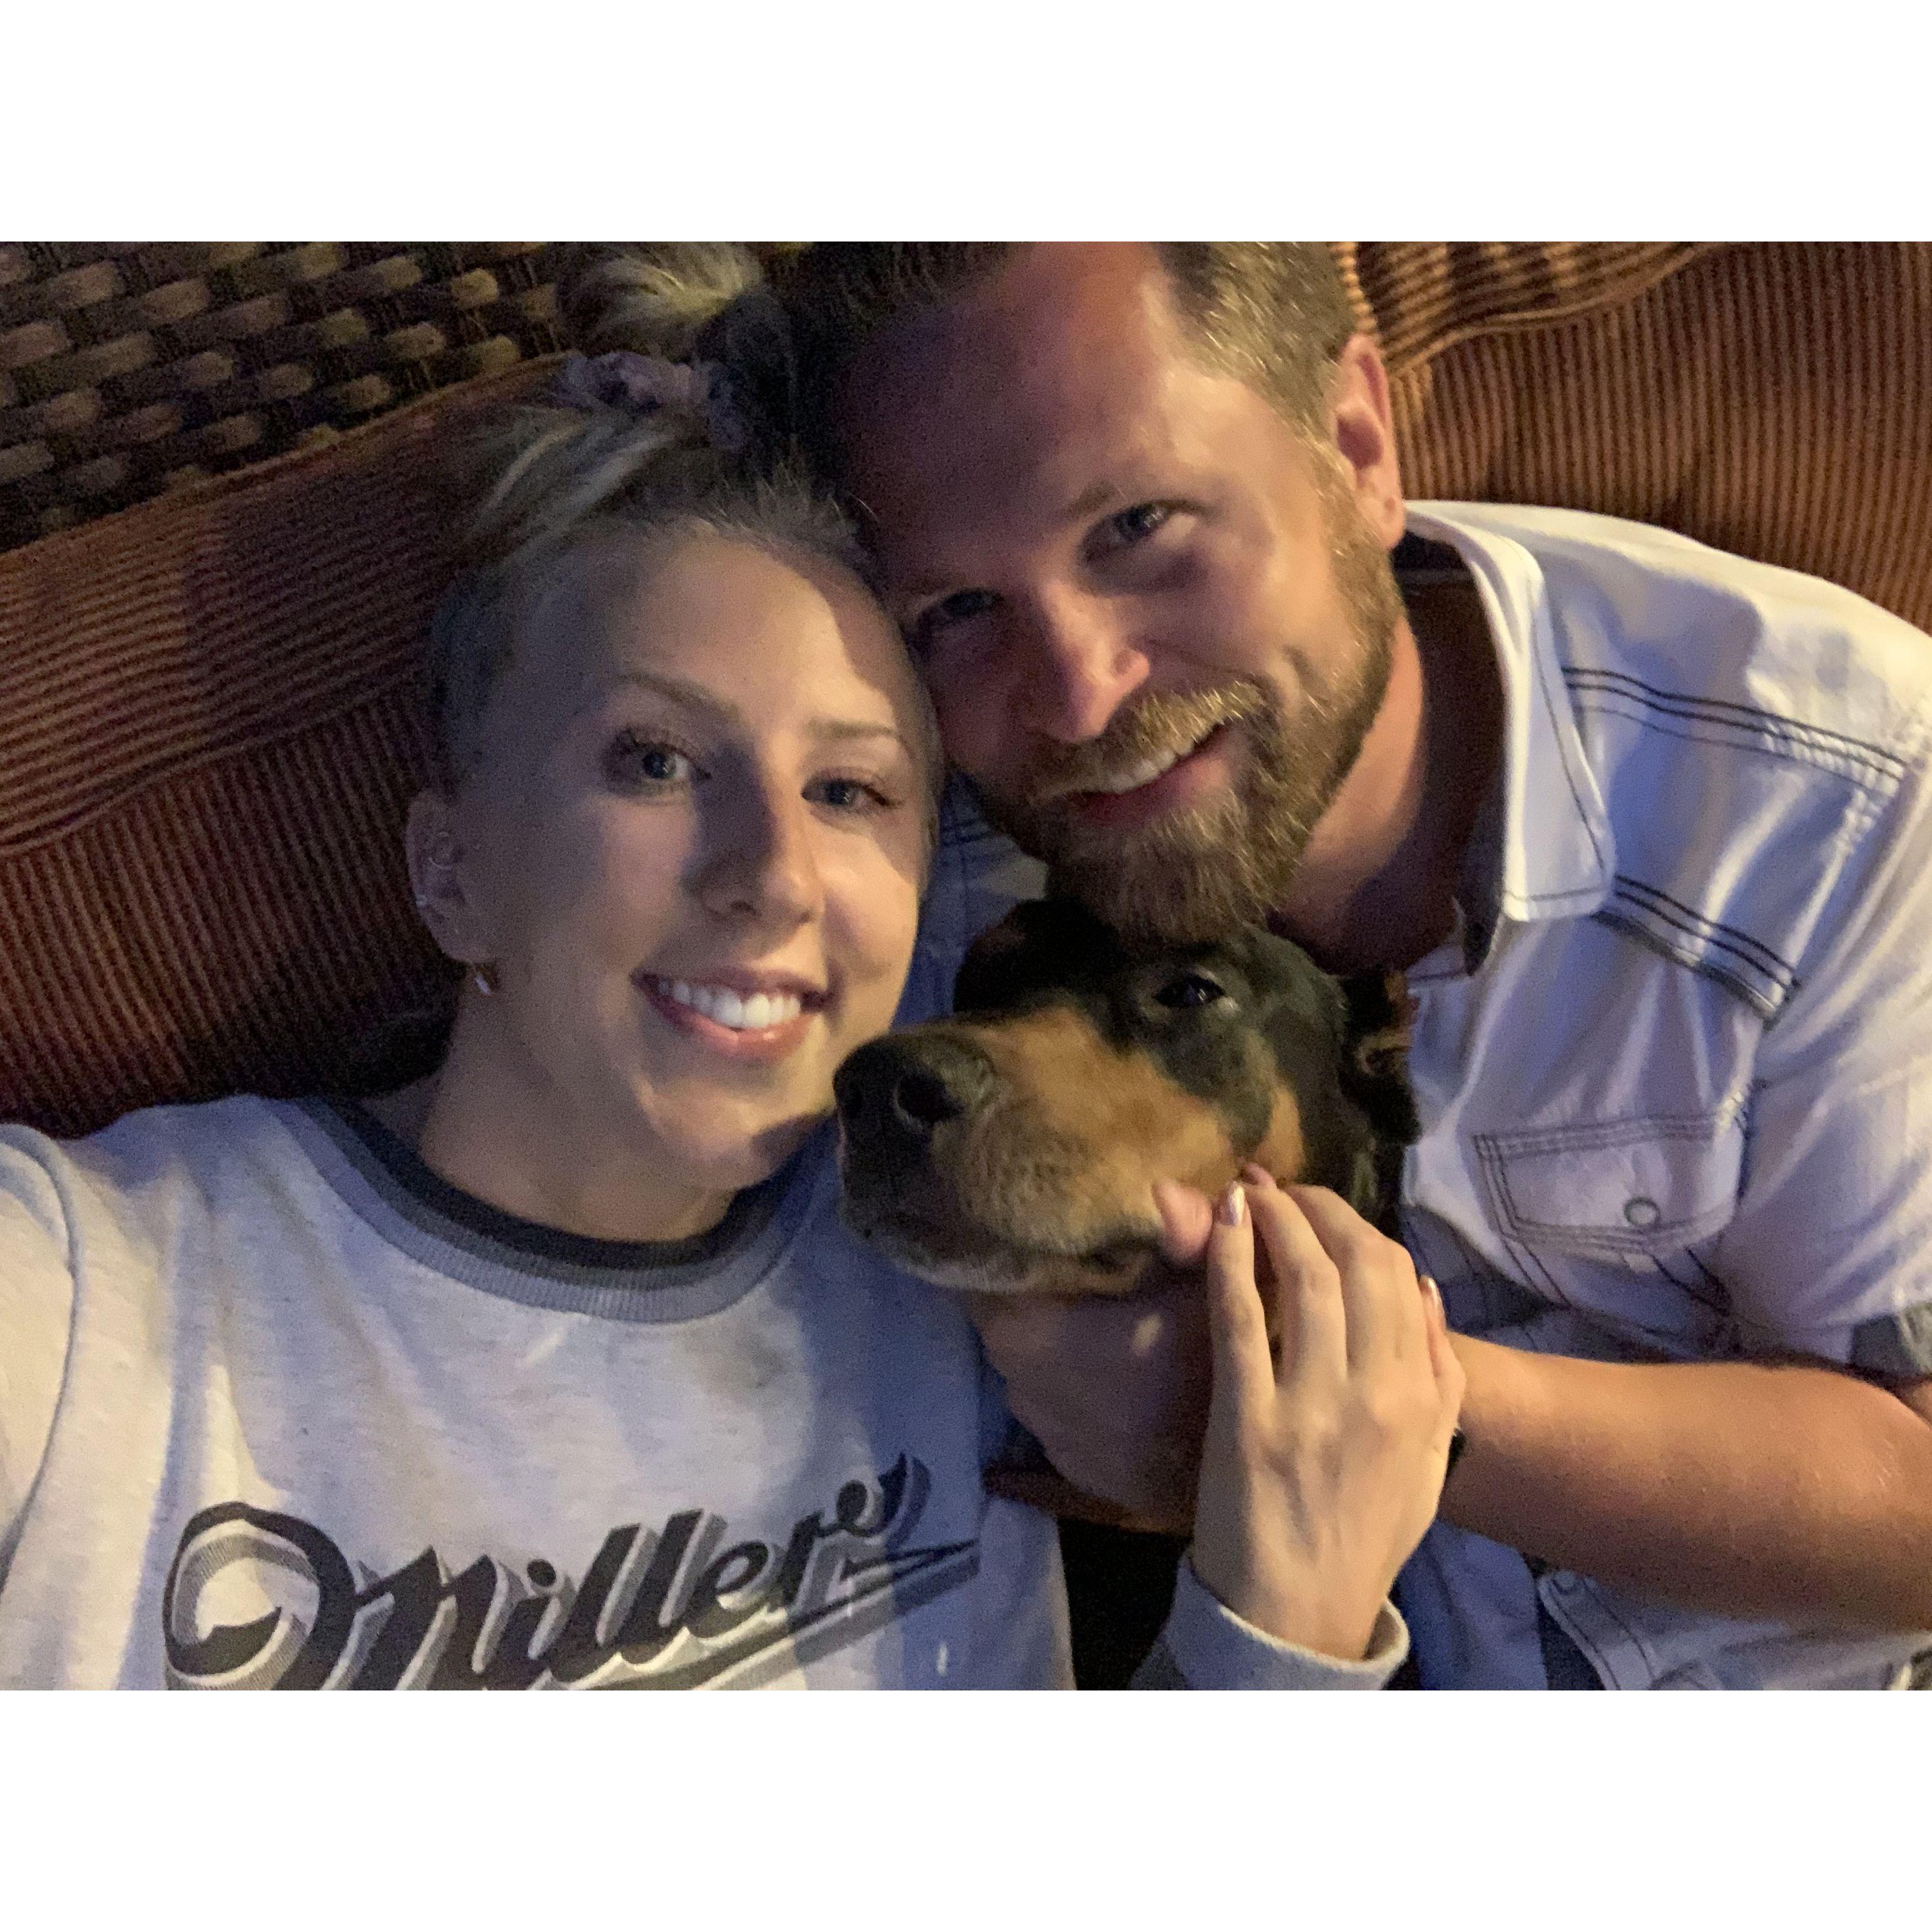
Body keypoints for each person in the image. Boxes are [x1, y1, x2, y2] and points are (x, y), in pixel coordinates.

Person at [0, 245, 1460, 1690]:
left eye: (848, 789)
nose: (772, 871)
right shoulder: (90, 1305)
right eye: (653, 759)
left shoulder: (953, 1267)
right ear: (450, 870)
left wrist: (1275, 1620)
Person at [711, 239, 1932, 1690]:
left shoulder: (1837, 802)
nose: (1078, 693)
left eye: (1136, 526)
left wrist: (1296, 1403)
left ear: (1354, 445)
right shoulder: (905, 822)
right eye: (959, 608)